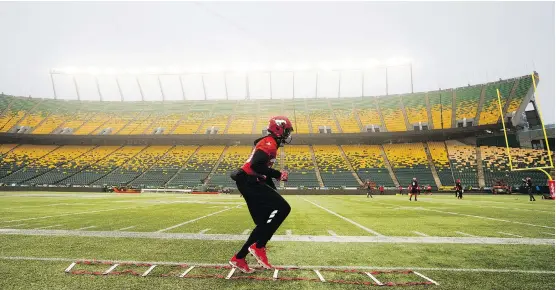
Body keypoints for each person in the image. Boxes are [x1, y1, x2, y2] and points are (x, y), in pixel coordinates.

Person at [228, 116, 294, 273]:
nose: (288, 135)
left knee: (264, 223)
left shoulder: (270, 143)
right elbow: (256, 165)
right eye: (287, 131)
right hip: (248, 180)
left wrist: (273, 189)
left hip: (250, 181)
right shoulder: (269, 142)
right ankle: (259, 246)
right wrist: (278, 174)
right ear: (279, 128)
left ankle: (239, 258)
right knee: (283, 208)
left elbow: (262, 173)